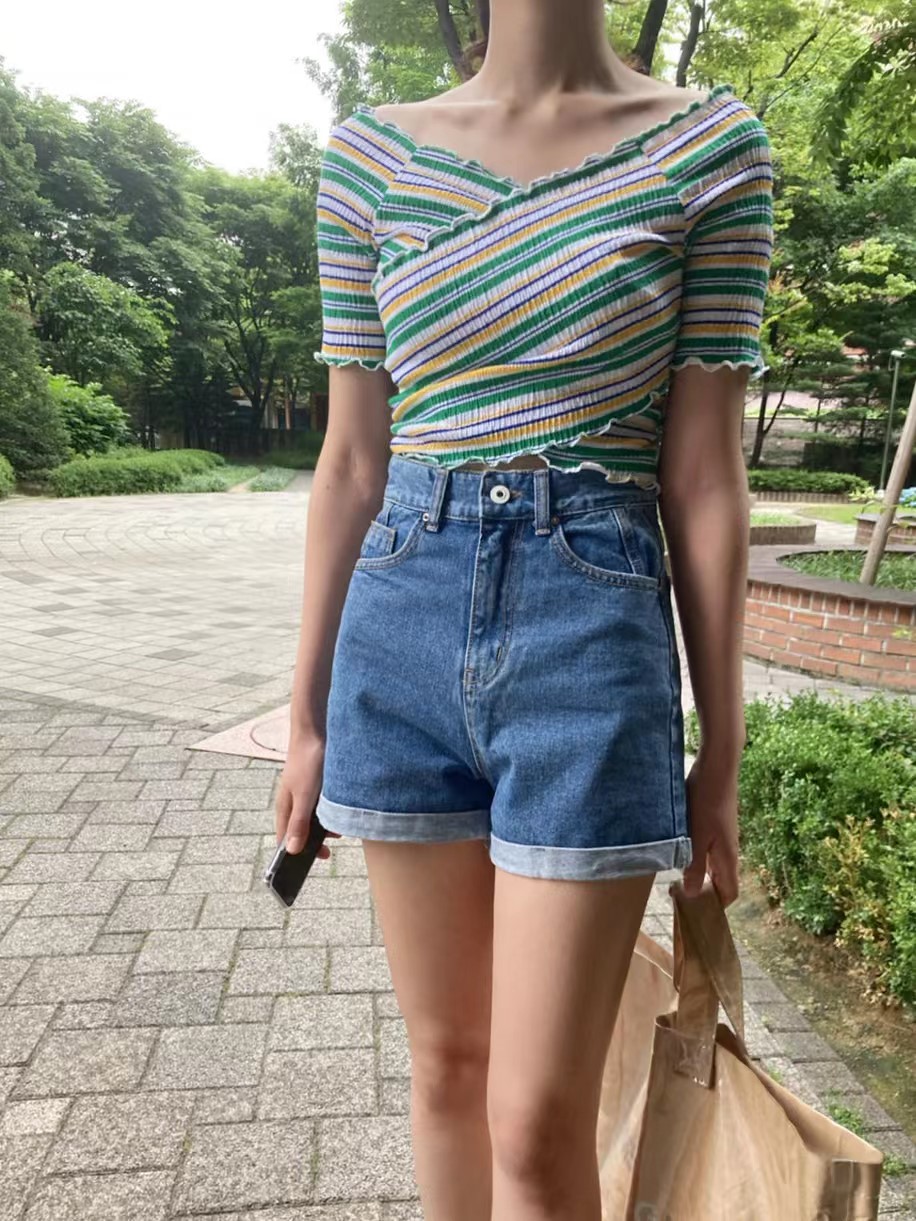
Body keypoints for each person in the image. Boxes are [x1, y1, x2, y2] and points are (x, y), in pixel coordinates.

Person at [275, 0, 774, 1215]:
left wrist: (721, 747)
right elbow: (351, 462)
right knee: (448, 1067)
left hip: (589, 634)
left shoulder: (709, 148)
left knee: (538, 1117)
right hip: (399, 619)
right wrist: (304, 719)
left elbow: (704, 476)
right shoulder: (369, 158)